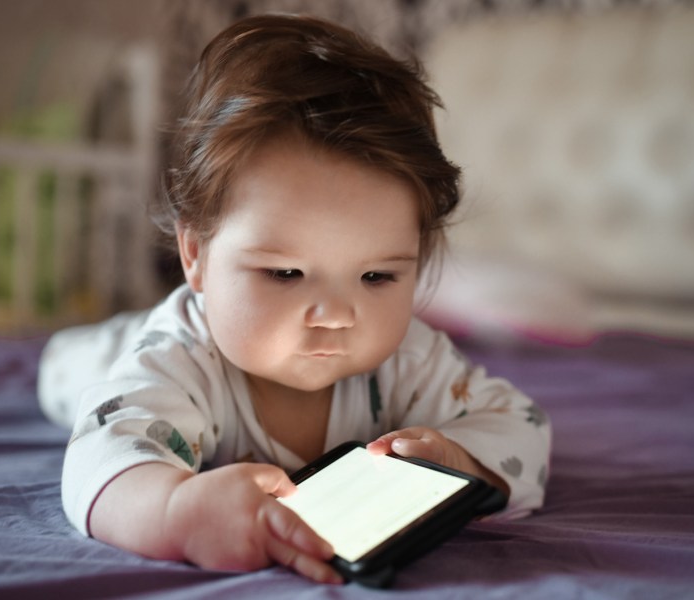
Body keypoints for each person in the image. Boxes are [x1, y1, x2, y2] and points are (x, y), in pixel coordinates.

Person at [38, 14, 551, 585]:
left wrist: (463, 460)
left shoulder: (412, 359)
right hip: (115, 352)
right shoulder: (178, 360)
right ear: (196, 255)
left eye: (377, 277)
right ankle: (74, 348)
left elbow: (520, 424)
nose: (336, 315)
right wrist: (175, 510)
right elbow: (104, 455)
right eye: (285, 272)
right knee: (95, 372)